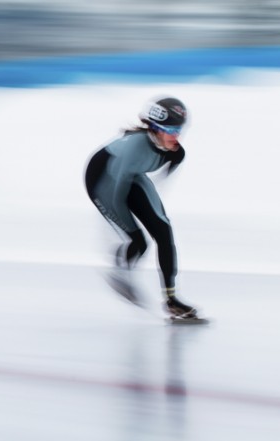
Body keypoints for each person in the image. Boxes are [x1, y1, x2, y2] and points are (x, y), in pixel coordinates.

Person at [84, 96, 200, 320]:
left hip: (131, 175)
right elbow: (117, 195)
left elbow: (154, 185)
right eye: (170, 129)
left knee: (164, 232)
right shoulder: (135, 148)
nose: (176, 136)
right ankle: (120, 272)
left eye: (179, 129)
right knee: (139, 242)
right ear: (155, 128)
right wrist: (122, 229)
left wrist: (153, 211)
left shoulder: (176, 153)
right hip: (102, 179)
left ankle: (171, 300)